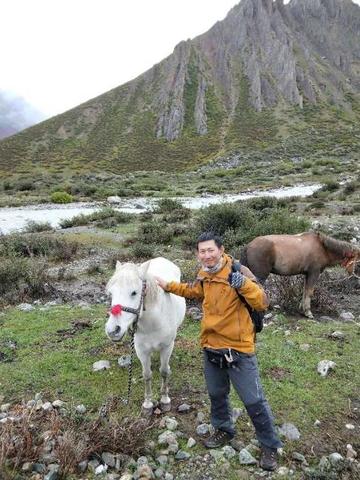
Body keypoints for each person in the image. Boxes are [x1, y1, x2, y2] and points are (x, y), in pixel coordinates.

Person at [155, 231, 282, 471]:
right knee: (216, 394)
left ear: (221, 250)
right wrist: (168, 286)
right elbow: (194, 291)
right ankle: (224, 430)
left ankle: (269, 446)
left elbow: (262, 301)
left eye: (210, 250)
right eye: (202, 251)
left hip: (239, 348)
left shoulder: (238, 272)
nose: (206, 255)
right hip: (212, 347)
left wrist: (244, 285)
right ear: (198, 254)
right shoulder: (204, 275)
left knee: (253, 400)